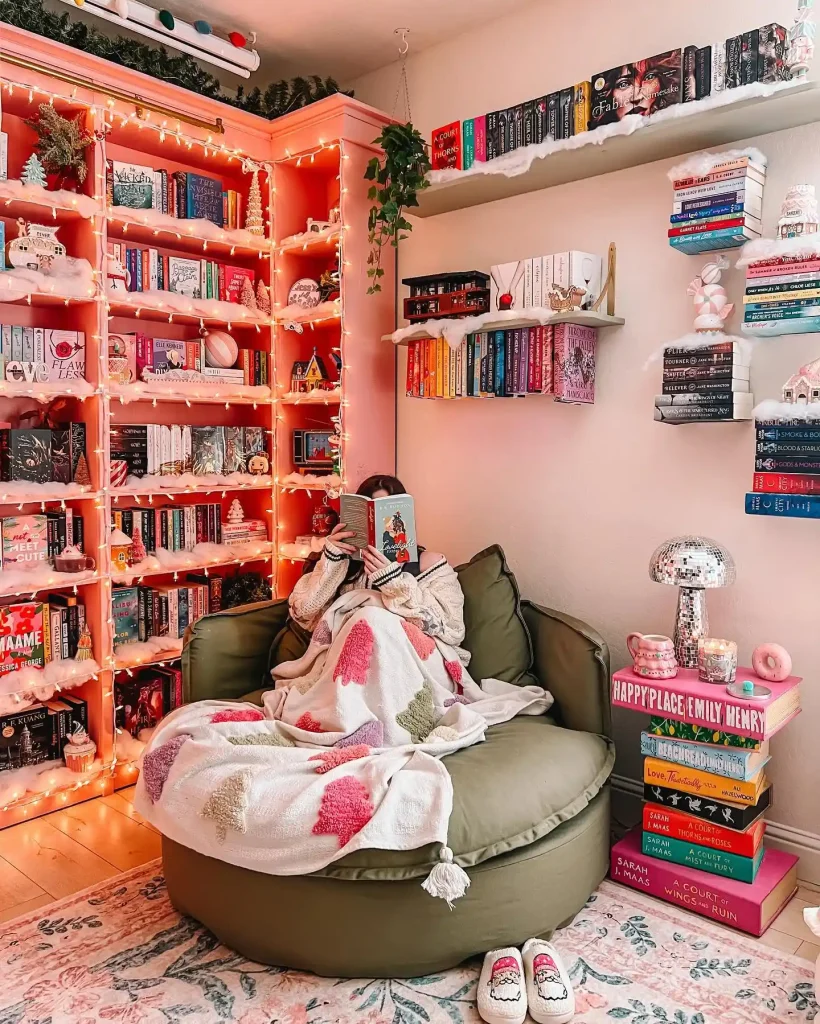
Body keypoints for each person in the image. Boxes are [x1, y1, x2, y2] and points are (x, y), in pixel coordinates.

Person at [288, 473, 468, 660]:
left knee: (371, 617)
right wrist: (332, 558)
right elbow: (303, 614)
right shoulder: (345, 567)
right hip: (353, 660)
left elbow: (453, 629)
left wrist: (393, 581)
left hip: (410, 661)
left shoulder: (430, 564)